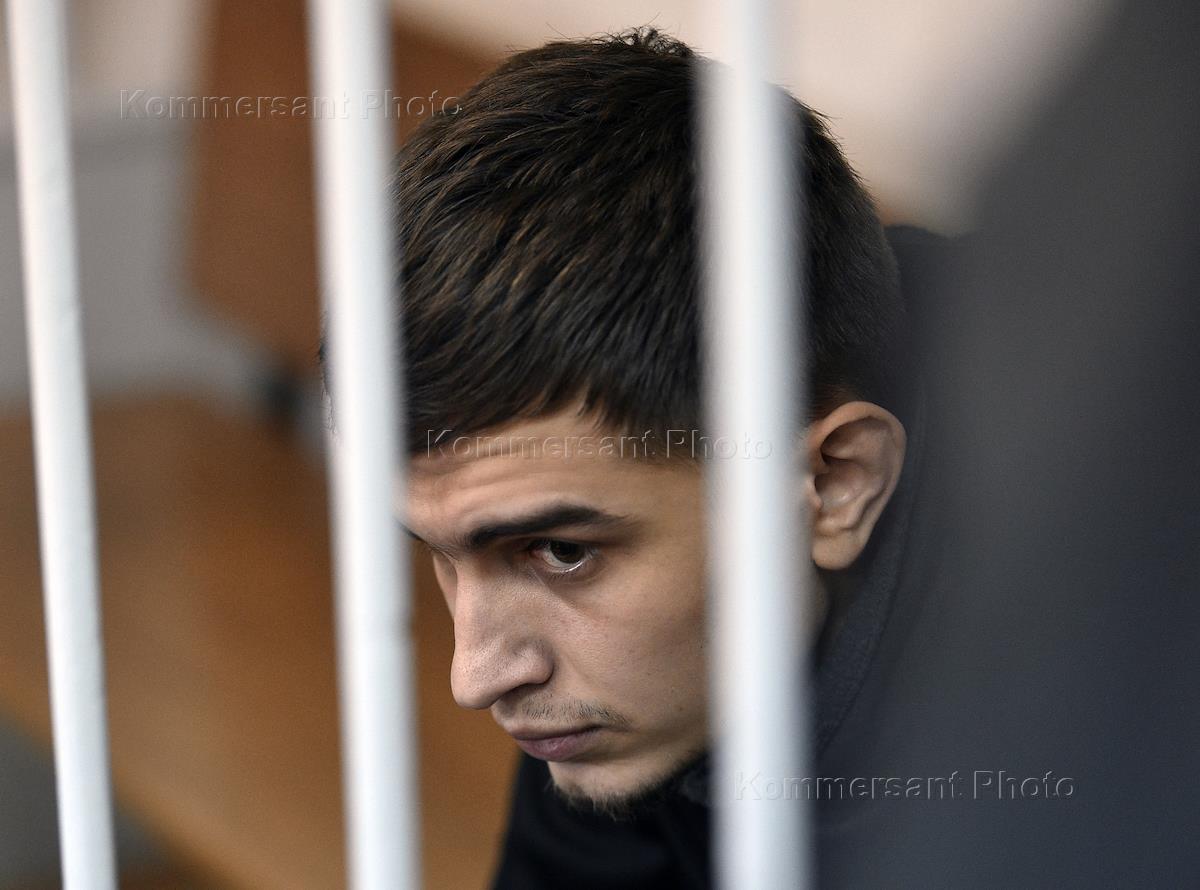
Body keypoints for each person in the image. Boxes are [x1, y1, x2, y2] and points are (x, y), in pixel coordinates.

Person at [377, 28, 936, 887]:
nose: (476, 675)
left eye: (562, 551)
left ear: (834, 483)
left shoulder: (1091, 706)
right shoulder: (624, 693)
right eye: (441, 556)